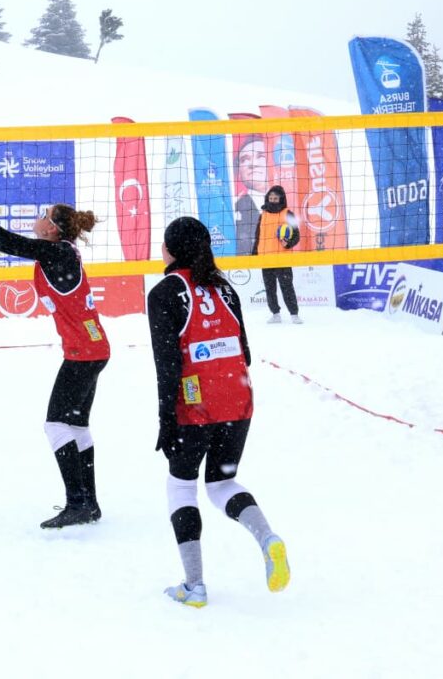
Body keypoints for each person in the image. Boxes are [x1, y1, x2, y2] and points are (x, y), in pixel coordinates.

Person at [0, 182, 109, 528]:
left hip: (84, 352)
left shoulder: (58, 253)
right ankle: (88, 503)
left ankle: (78, 503)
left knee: (56, 424)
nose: (39, 216)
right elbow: (2, 241)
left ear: (52, 229)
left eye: (45, 214)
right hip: (92, 348)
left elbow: (2, 240)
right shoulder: (59, 252)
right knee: (76, 425)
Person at [147, 216, 290, 608]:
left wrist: (166, 419)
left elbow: (167, 366)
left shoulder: (164, 292)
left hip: (196, 404)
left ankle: (194, 586)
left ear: (169, 250)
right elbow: (245, 352)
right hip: (238, 398)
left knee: (181, 486)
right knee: (222, 483)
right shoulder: (225, 288)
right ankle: (268, 539)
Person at [252, 185, 302, 324]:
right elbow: (258, 236)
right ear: (267, 198)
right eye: (271, 198)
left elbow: (296, 235)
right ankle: (275, 314)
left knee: (287, 287)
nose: (273, 200)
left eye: (276, 198)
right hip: (266, 258)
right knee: (270, 288)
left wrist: (288, 243)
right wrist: (254, 253)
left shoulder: (288, 214)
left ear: (281, 199)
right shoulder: (262, 215)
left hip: (282, 258)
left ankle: (294, 314)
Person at [233, 135, 267, 254]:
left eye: (261, 156)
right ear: (239, 172)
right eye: (245, 159)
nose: (253, 164)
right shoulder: (232, 209)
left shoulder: (292, 203)